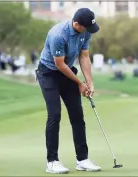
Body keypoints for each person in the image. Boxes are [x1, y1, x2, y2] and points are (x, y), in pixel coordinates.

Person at [35, 8, 100, 174]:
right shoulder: (58, 35)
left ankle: (83, 159)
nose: (88, 31)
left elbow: (84, 56)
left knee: (77, 114)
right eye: (86, 27)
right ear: (76, 24)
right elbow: (60, 64)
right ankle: (52, 161)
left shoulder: (86, 31)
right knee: (54, 114)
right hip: (48, 73)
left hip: (67, 72)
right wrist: (79, 83)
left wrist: (90, 82)